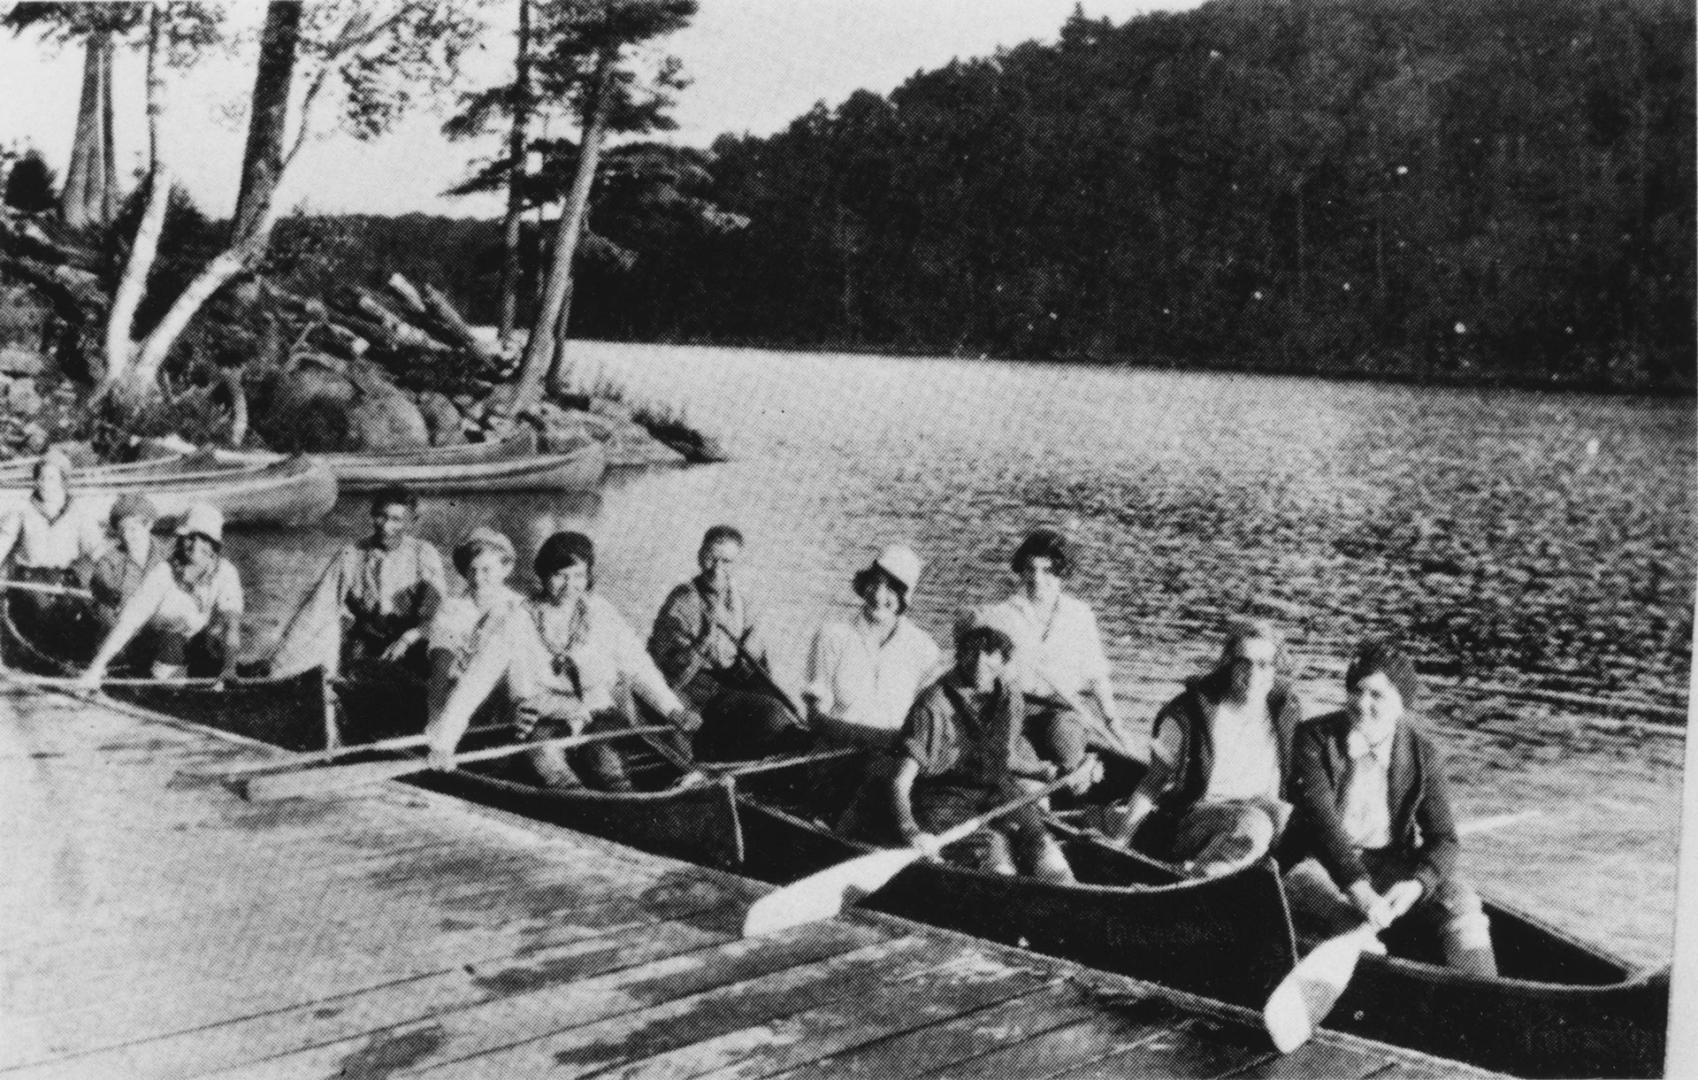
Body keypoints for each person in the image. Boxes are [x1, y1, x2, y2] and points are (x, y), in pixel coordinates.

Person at [425, 531, 702, 792]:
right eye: (560, 576)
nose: (570, 586)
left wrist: (672, 710)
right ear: (544, 576)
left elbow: (638, 666)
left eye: (579, 575)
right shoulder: (515, 620)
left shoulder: (600, 611)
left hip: (595, 714)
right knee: (550, 765)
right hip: (540, 719)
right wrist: (444, 743)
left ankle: (624, 798)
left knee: (606, 764)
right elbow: (476, 682)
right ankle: (581, 803)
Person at [1284, 639, 1498, 977]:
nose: (1361, 704)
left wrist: (1417, 884)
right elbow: (1323, 828)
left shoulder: (1423, 754)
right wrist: (1363, 895)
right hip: (1316, 863)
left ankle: (1485, 995)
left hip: (1388, 865)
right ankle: (1373, 969)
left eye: (1376, 695)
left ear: (1402, 705)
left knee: (1462, 902)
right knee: (1348, 916)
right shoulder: (1314, 738)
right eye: (1356, 691)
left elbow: (1444, 839)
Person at [883, 619, 1086, 883]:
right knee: (996, 854)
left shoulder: (1009, 695)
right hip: (943, 796)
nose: (980, 662)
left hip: (998, 790)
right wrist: (910, 831)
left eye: (990, 653)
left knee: (1043, 845)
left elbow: (1007, 758)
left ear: (1003, 662)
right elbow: (900, 781)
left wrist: (1054, 772)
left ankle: (1066, 890)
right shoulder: (933, 704)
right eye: (972, 652)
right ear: (959, 656)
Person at [1102, 618, 1304, 877]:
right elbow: (1153, 782)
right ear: (1228, 664)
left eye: (1264, 665)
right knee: (1254, 824)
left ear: (1277, 669)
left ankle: (1277, 880)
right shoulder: (1187, 715)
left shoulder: (1286, 711)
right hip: (1193, 819)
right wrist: (1122, 839)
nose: (1253, 675)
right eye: (1243, 663)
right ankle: (1198, 878)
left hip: (1256, 811)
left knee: (1292, 818)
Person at [976, 527, 1127, 771]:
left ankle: (1078, 777)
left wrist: (1113, 722)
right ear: (1022, 571)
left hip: (1062, 709)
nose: (1037, 579)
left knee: (1066, 752)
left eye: (1047, 571)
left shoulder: (1079, 615)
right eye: (1030, 569)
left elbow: (1097, 676)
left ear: (1062, 573)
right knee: (1022, 771)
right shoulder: (1001, 615)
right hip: (1015, 710)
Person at [648, 525, 800, 760]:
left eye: (726, 562)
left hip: (729, 684)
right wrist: (705, 639)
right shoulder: (683, 600)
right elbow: (663, 663)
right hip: (693, 689)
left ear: (735, 563)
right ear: (700, 555)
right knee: (766, 714)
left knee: (783, 710)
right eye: (711, 558)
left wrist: (749, 657)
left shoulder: (739, 598)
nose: (717, 569)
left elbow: (755, 648)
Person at [276, 484, 446, 677]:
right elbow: (317, 608)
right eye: (380, 516)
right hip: (367, 643)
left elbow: (436, 614)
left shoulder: (423, 554)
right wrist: (281, 663)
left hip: (412, 642)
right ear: (373, 514)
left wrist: (407, 639)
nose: (385, 526)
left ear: (411, 523)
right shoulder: (351, 554)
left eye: (396, 520)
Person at [77, 503, 242, 684]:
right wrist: (96, 667)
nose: (195, 545)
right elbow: (128, 622)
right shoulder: (163, 573)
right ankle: (167, 687)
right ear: (180, 540)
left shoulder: (226, 572)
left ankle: (219, 679)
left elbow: (231, 623)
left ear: (214, 545)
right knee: (173, 641)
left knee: (214, 644)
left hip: (195, 643)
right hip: (154, 645)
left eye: (204, 539)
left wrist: (230, 668)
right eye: (189, 538)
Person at [802, 544, 943, 750]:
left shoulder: (925, 649)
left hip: (891, 758)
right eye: (874, 583)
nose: (878, 595)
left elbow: (927, 723)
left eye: (891, 589)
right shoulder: (832, 635)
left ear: (905, 596)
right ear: (864, 583)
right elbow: (816, 718)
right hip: (836, 754)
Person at [0, 448, 106, 664]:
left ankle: (76, 658)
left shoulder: (78, 511)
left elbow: (96, 549)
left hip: (64, 578)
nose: (45, 483)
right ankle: (43, 657)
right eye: (41, 477)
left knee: (81, 613)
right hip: (29, 578)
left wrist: (110, 574)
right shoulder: (21, 509)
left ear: (63, 481)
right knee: (42, 608)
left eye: (51, 478)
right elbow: (2, 542)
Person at [425, 526, 524, 725]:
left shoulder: (520, 607)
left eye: (486, 570)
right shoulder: (451, 608)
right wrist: (436, 715)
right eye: (472, 570)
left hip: (505, 695)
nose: (478, 579)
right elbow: (441, 664)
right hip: (458, 693)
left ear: (506, 569)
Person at [88, 494, 163, 629]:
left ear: (149, 525)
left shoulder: (167, 558)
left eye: (133, 529)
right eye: (122, 530)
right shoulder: (108, 564)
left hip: (161, 629)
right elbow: (103, 608)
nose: (127, 536)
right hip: (123, 632)